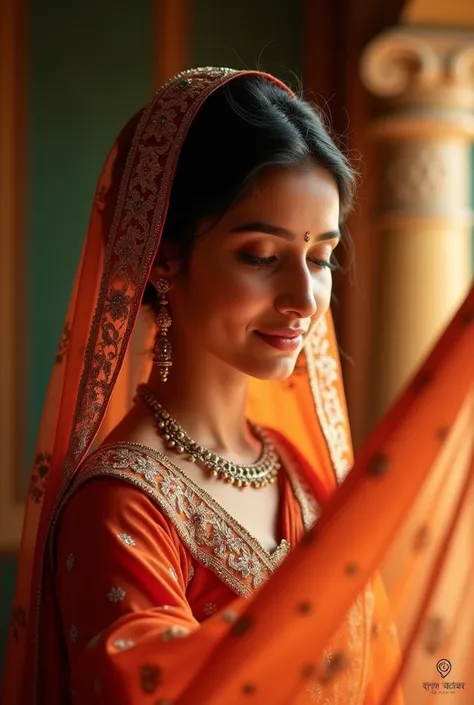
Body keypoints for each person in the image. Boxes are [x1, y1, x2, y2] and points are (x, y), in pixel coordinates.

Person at [2, 67, 473, 705]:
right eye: (261, 256)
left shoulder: (299, 471)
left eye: (321, 257)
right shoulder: (120, 509)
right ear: (163, 258)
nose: (304, 299)